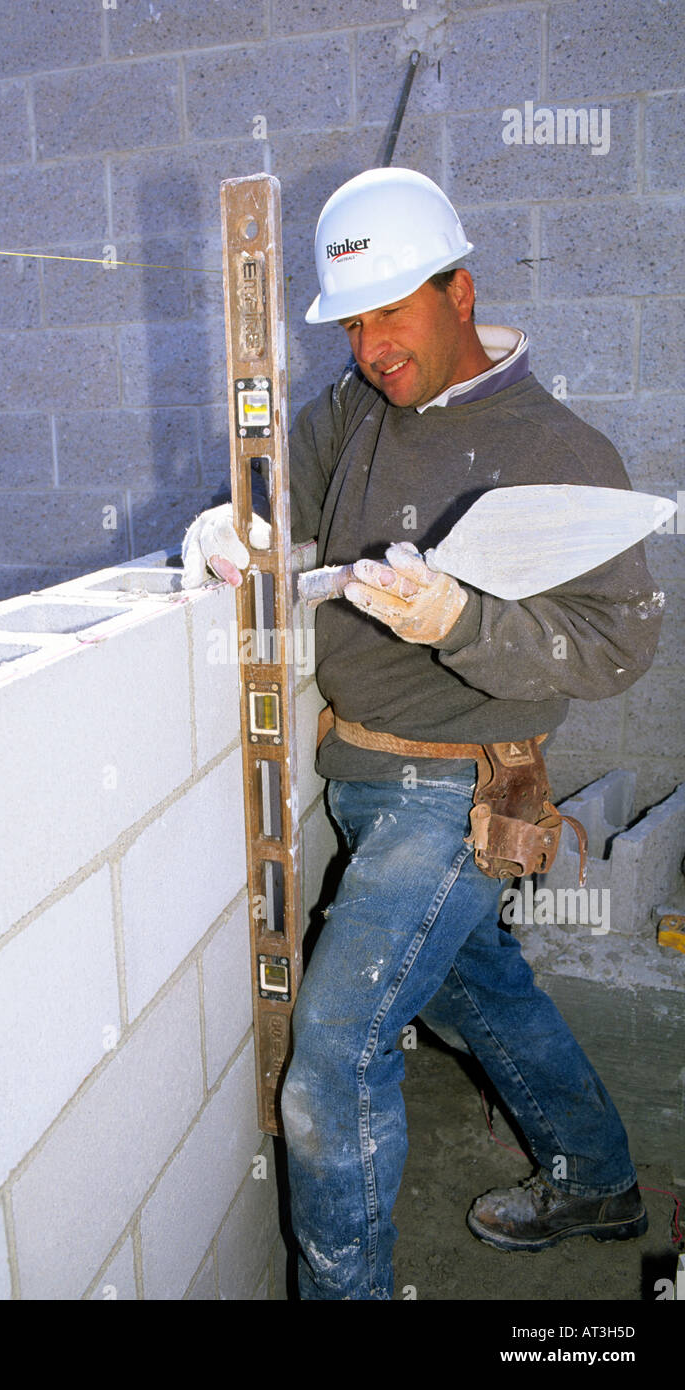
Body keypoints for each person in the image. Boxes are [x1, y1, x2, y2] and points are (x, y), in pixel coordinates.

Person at [182, 168, 662, 1300]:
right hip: (357, 770)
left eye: (390, 314)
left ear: (460, 291)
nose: (368, 348)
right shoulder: (355, 409)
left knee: (332, 1063)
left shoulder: (559, 446)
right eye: (351, 323)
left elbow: (613, 648)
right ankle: (594, 1176)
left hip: (453, 795)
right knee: (471, 988)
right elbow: (272, 497)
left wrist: (462, 621)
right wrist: (231, 519)